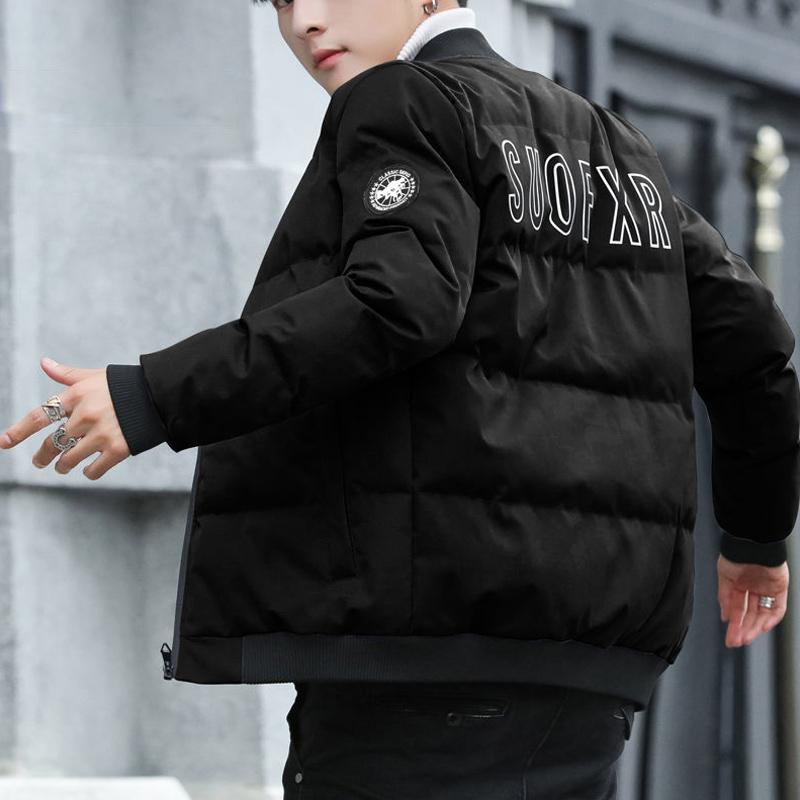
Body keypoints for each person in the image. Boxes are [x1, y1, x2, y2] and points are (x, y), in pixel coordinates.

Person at [1, 0, 797, 797]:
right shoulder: (618, 151)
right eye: (281, 1)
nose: (306, 22)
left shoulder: (402, 98)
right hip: (586, 685)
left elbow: (395, 302)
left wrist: (153, 396)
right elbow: (755, 341)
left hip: (424, 671)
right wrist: (757, 539)